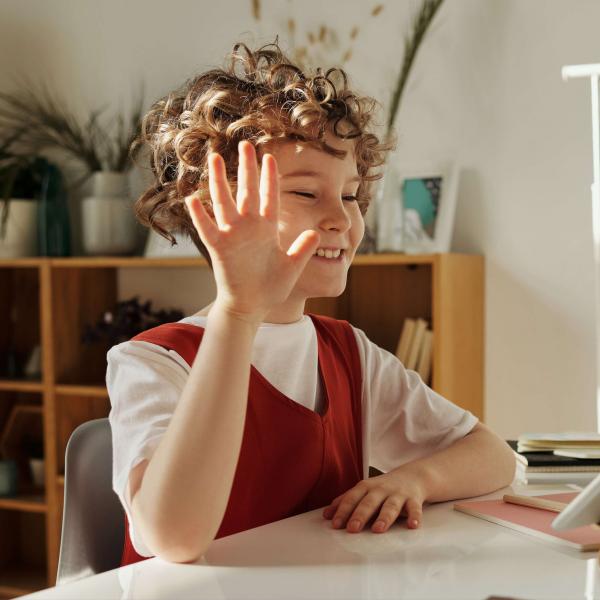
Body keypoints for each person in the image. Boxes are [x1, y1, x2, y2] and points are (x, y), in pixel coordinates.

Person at [107, 39, 516, 566]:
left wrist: (416, 477)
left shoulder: (349, 353)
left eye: (349, 195)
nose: (342, 220)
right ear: (216, 211)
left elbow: (493, 457)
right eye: (306, 194)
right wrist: (238, 311)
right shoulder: (150, 363)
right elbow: (176, 537)